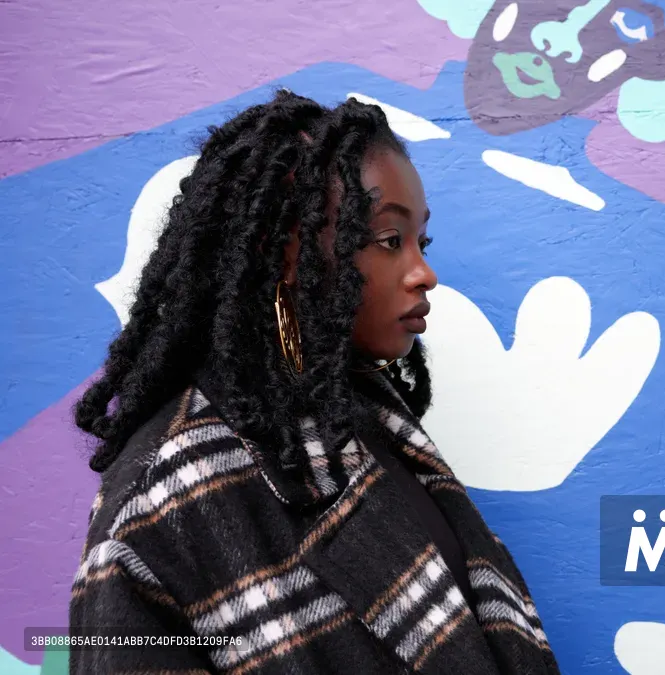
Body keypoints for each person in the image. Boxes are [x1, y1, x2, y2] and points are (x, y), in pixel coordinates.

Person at [67, 91, 560, 674]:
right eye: (387, 240)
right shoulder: (161, 501)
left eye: (420, 242)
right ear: (285, 254)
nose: (424, 273)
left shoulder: (366, 416)